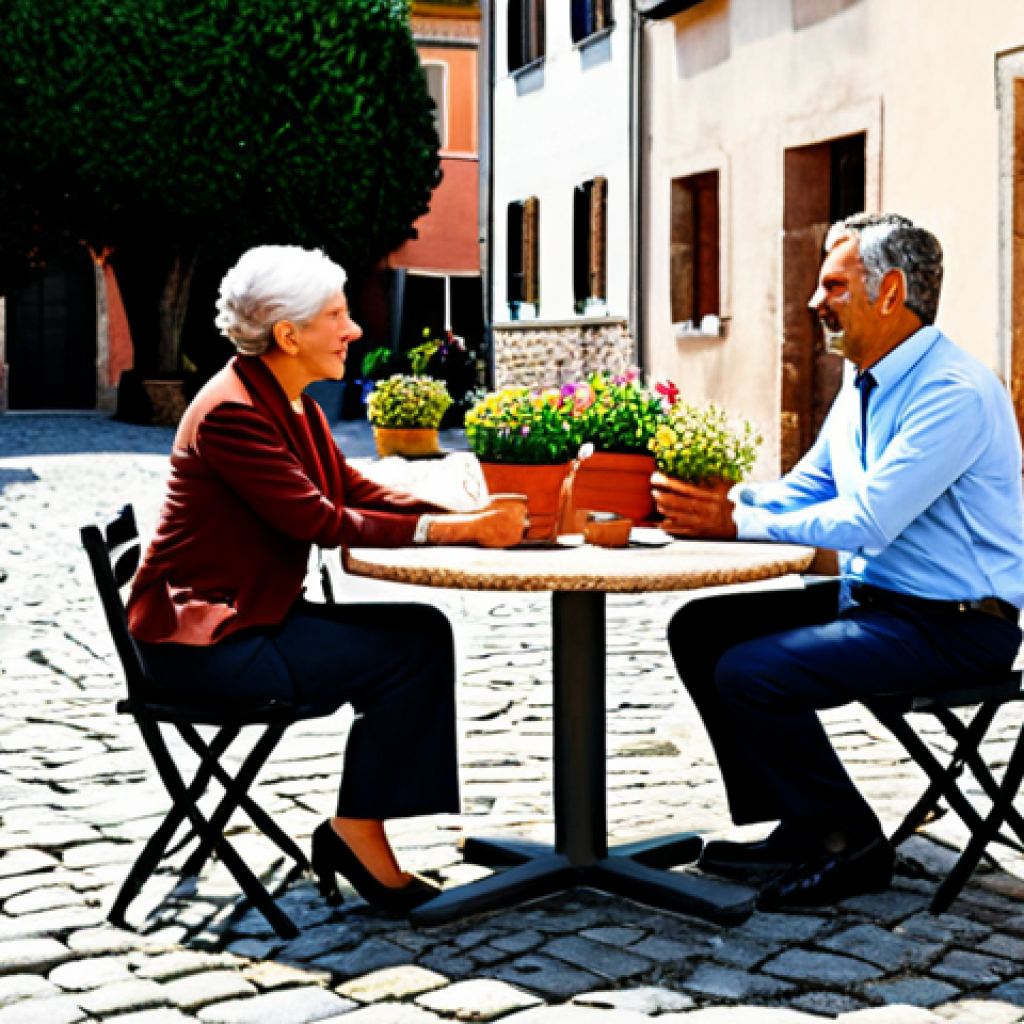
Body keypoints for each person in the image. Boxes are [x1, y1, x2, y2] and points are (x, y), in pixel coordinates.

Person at [126, 245, 526, 913]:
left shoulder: (288, 402)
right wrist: (459, 533)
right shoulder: (234, 412)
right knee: (411, 649)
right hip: (207, 649)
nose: (355, 329)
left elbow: (350, 486)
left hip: (248, 618)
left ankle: (358, 826)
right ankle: (355, 831)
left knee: (420, 635)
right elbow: (320, 519)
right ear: (288, 334)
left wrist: (458, 511)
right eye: (336, 315)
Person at [652, 213, 1024, 909]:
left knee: (751, 672)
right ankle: (806, 822)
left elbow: (868, 520)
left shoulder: (954, 393)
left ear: (888, 292)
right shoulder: (862, 385)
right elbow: (802, 491)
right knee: (701, 630)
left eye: (833, 285)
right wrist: (703, 503)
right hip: (882, 605)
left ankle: (852, 841)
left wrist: (734, 522)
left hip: (958, 628)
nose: (814, 302)